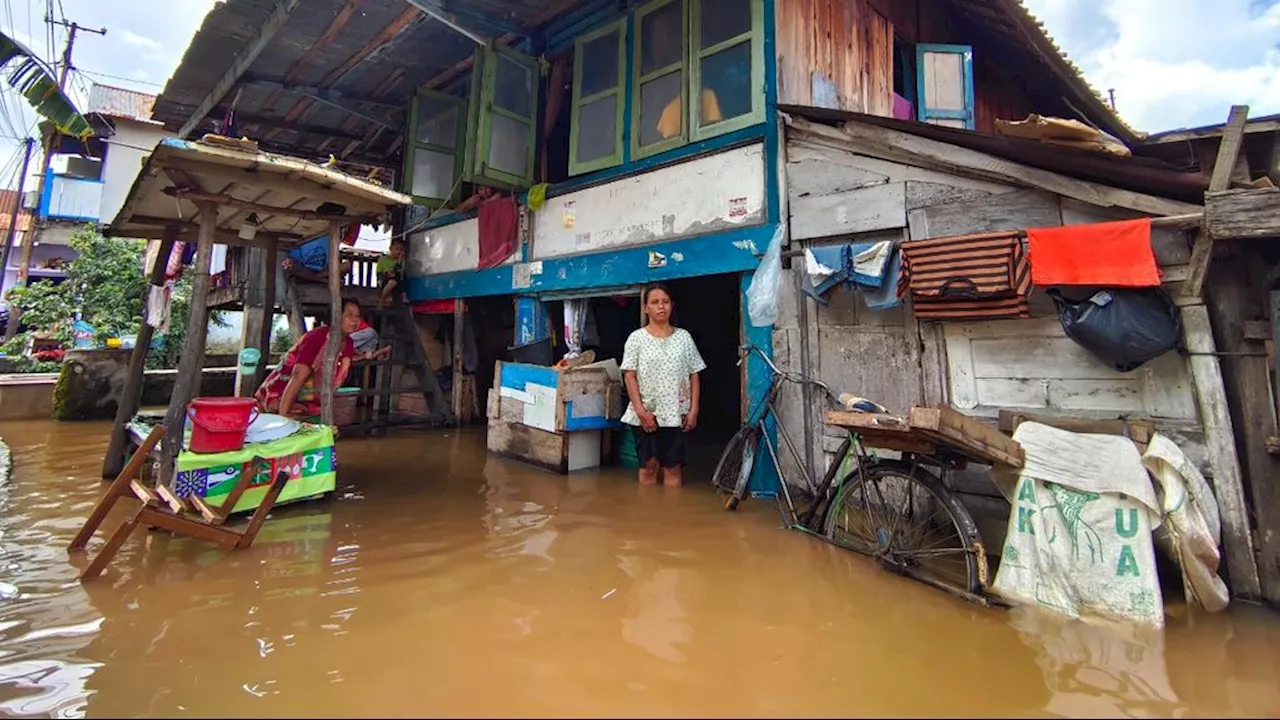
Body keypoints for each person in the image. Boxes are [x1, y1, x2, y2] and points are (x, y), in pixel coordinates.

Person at [620, 284, 706, 488]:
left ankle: (671, 516)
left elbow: (694, 374)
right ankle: (647, 516)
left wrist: (693, 410)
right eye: (655, 302)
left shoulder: (683, 337)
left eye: (665, 302)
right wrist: (641, 412)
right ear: (645, 308)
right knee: (648, 467)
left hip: (676, 414)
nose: (661, 307)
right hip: (646, 412)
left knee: (672, 468)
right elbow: (629, 377)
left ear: (671, 306)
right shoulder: (636, 338)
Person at [254, 299, 389, 420]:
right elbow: (297, 377)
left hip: (307, 402)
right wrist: (284, 415)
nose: (355, 320)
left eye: (358, 316)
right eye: (349, 315)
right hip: (280, 397)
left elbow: (343, 363)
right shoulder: (317, 338)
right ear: (336, 316)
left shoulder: (347, 342)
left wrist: (379, 352)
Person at [376, 238, 406, 309]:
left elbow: (398, 272)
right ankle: (382, 301)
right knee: (392, 282)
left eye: (401, 250)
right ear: (390, 248)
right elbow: (379, 273)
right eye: (397, 249)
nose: (398, 251)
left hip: (397, 283)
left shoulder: (401, 261)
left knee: (395, 280)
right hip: (385, 281)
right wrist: (386, 274)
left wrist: (399, 261)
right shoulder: (383, 259)